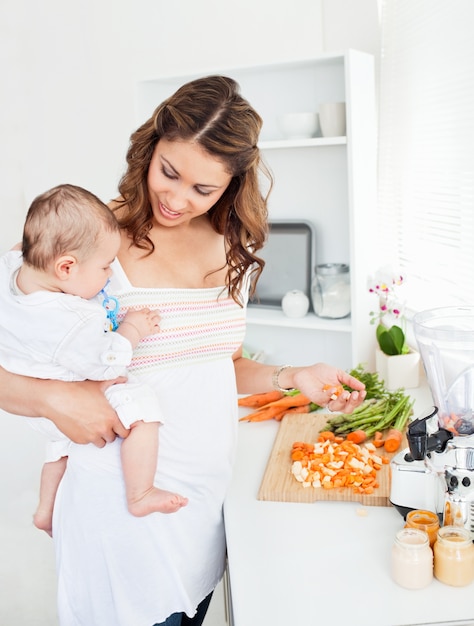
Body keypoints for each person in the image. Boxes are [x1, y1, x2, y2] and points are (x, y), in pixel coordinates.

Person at [1, 75, 366, 626]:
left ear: (232, 186)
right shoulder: (86, 234)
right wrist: (53, 399)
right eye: (168, 173)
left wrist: (295, 375)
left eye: (204, 189)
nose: (176, 200)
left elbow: (220, 363)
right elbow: (19, 342)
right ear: (149, 149)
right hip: (117, 506)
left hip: (201, 501)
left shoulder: (231, 247)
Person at [0, 184, 188, 536]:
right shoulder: (73, 321)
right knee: (143, 407)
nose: (109, 276)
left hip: (35, 400)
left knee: (60, 449)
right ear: (66, 267)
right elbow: (109, 362)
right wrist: (133, 327)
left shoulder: (11, 271)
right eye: (104, 267)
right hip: (68, 395)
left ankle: (45, 510)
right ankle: (141, 492)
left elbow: (14, 251)